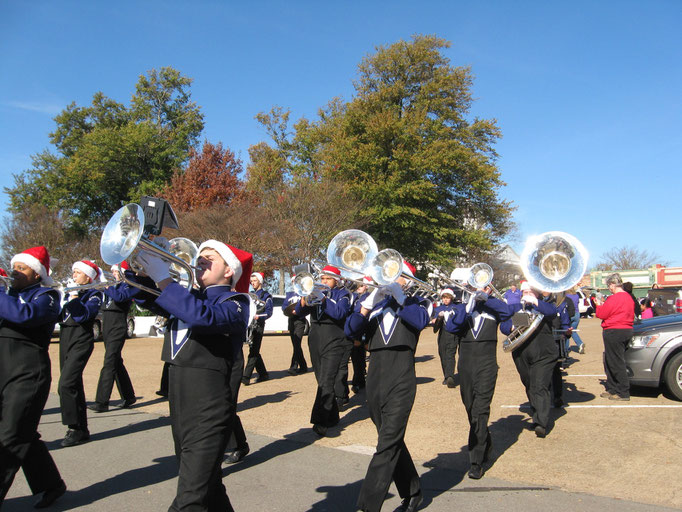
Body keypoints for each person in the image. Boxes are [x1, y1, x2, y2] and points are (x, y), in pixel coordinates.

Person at [135, 238, 252, 511]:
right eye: (200, 256)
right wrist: (138, 268)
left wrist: (164, 278)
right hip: (180, 401)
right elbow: (143, 296)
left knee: (190, 498)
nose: (201, 259)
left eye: (210, 258)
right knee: (208, 487)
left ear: (228, 271)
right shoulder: (188, 296)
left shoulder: (236, 302)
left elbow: (203, 317)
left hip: (209, 406)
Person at [345, 261, 428, 512]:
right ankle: (413, 491)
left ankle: (367, 506)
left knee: (387, 442)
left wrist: (400, 296)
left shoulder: (417, 303)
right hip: (376, 376)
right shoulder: (375, 305)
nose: (390, 280)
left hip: (401, 374)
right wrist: (366, 305)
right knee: (389, 440)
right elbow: (351, 331)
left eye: (397, 276)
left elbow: (421, 321)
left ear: (408, 280)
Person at [0, 246, 66, 508]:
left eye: (22, 268)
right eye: (14, 267)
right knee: (23, 432)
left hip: (28, 373)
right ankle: (51, 484)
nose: (15, 273)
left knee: (10, 437)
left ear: (37, 274)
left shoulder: (47, 295)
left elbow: (24, 315)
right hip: (5, 368)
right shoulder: (9, 295)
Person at [443, 285, 517, 479]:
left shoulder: (495, 307)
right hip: (466, 365)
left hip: (487, 364)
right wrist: (468, 306)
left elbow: (508, 313)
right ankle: (486, 443)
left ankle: (476, 461)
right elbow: (451, 327)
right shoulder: (461, 308)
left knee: (480, 410)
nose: (477, 289)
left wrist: (487, 299)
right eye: (474, 286)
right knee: (470, 409)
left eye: (483, 286)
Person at [294, 265, 351, 437]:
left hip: (334, 337)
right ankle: (332, 416)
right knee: (320, 379)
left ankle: (320, 420)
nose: (323, 282)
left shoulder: (344, 294)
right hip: (315, 337)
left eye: (328, 279)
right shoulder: (314, 291)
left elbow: (340, 313)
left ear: (337, 281)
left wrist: (323, 299)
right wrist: (304, 299)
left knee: (327, 380)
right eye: (322, 279)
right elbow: (298, 311)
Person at [501, 282, 563, 438]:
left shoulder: (543, 305)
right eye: (524, 292)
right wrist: (510, 328)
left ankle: (541, 422)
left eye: (529, 292)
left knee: (539, 384)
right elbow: (504, 323)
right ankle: (537, 413)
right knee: (529, 383)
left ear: (537, 293)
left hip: (544, 352)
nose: (526, 294)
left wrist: (535, 302)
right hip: (522, 353)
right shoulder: (517, 307)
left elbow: (552, 313)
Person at [58, 259, 104, 447]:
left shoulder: (95, 294)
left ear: (88, 276)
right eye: (74, 272)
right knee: (73, 383)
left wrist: (75, 296)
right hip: (66, 335)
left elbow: (84, 315)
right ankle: (81, 429)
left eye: (78, 272)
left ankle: (74, 427)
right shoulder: (71, 293)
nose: (74, 275)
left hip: (81, 337)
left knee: (66, 384)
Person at [89, 262, 138, 412]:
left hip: (117, 326)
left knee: (109, 362)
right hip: (108, 326)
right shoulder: (113, 287)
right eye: (113, 272)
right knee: (116, 361)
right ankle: (128, 396)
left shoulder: (129, 286)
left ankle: (101, 401)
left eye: (116, 272)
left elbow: (121, 297)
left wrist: (106, 287)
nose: (113, 274)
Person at [595, 273, 634, 401]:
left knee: (616, 362)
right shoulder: (628, 297)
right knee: (611, 360)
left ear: (612, 285)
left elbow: (602, 313)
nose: (609, 288)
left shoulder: (614, 298)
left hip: (614, 330)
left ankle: (623, 391)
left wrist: (598, 305)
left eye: (609, 286)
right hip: (626, 330)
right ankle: (612, 388)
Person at [242, 272, 273, 385]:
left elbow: (269, 312)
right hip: (249, 325)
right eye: (251, 281)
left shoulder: (266, 296)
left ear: (260, 281)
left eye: (254, 281)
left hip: (259, 325)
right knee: (253, 349)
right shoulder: (250, 295)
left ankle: (246, 376)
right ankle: (263, 373)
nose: (252, 283)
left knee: (254, 350)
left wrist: (258, 316)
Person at [431, 288, 459, 388]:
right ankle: (446, 376)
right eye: (444, 298)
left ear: (451, 298)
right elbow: (434, 323)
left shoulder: (456, 308)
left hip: (453, 334)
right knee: (442, 355)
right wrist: (436, 319)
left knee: (450, 355)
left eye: (447, 298)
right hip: (442, 334)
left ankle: (450, 376)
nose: (445, 300)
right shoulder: (438, 309)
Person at [282, 276, 309, 375]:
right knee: (295, 344)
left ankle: (293, 367)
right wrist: (290, 310)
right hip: (291, 320)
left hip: (300, 320)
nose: (294, 283)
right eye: (293, 281)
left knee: (297, 343)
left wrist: (299, 311)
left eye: (296, 281)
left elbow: (307, 307)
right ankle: (303, 366)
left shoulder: (304, 293)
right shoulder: (289, 294)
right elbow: (284, 306)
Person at [564, 287, 585, 354]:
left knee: (567, 331)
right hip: (577, 314)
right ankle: (580, 344)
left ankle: (566, 348)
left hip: (569, 313)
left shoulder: (566, 296)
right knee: (573, 331)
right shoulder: (576, 295)